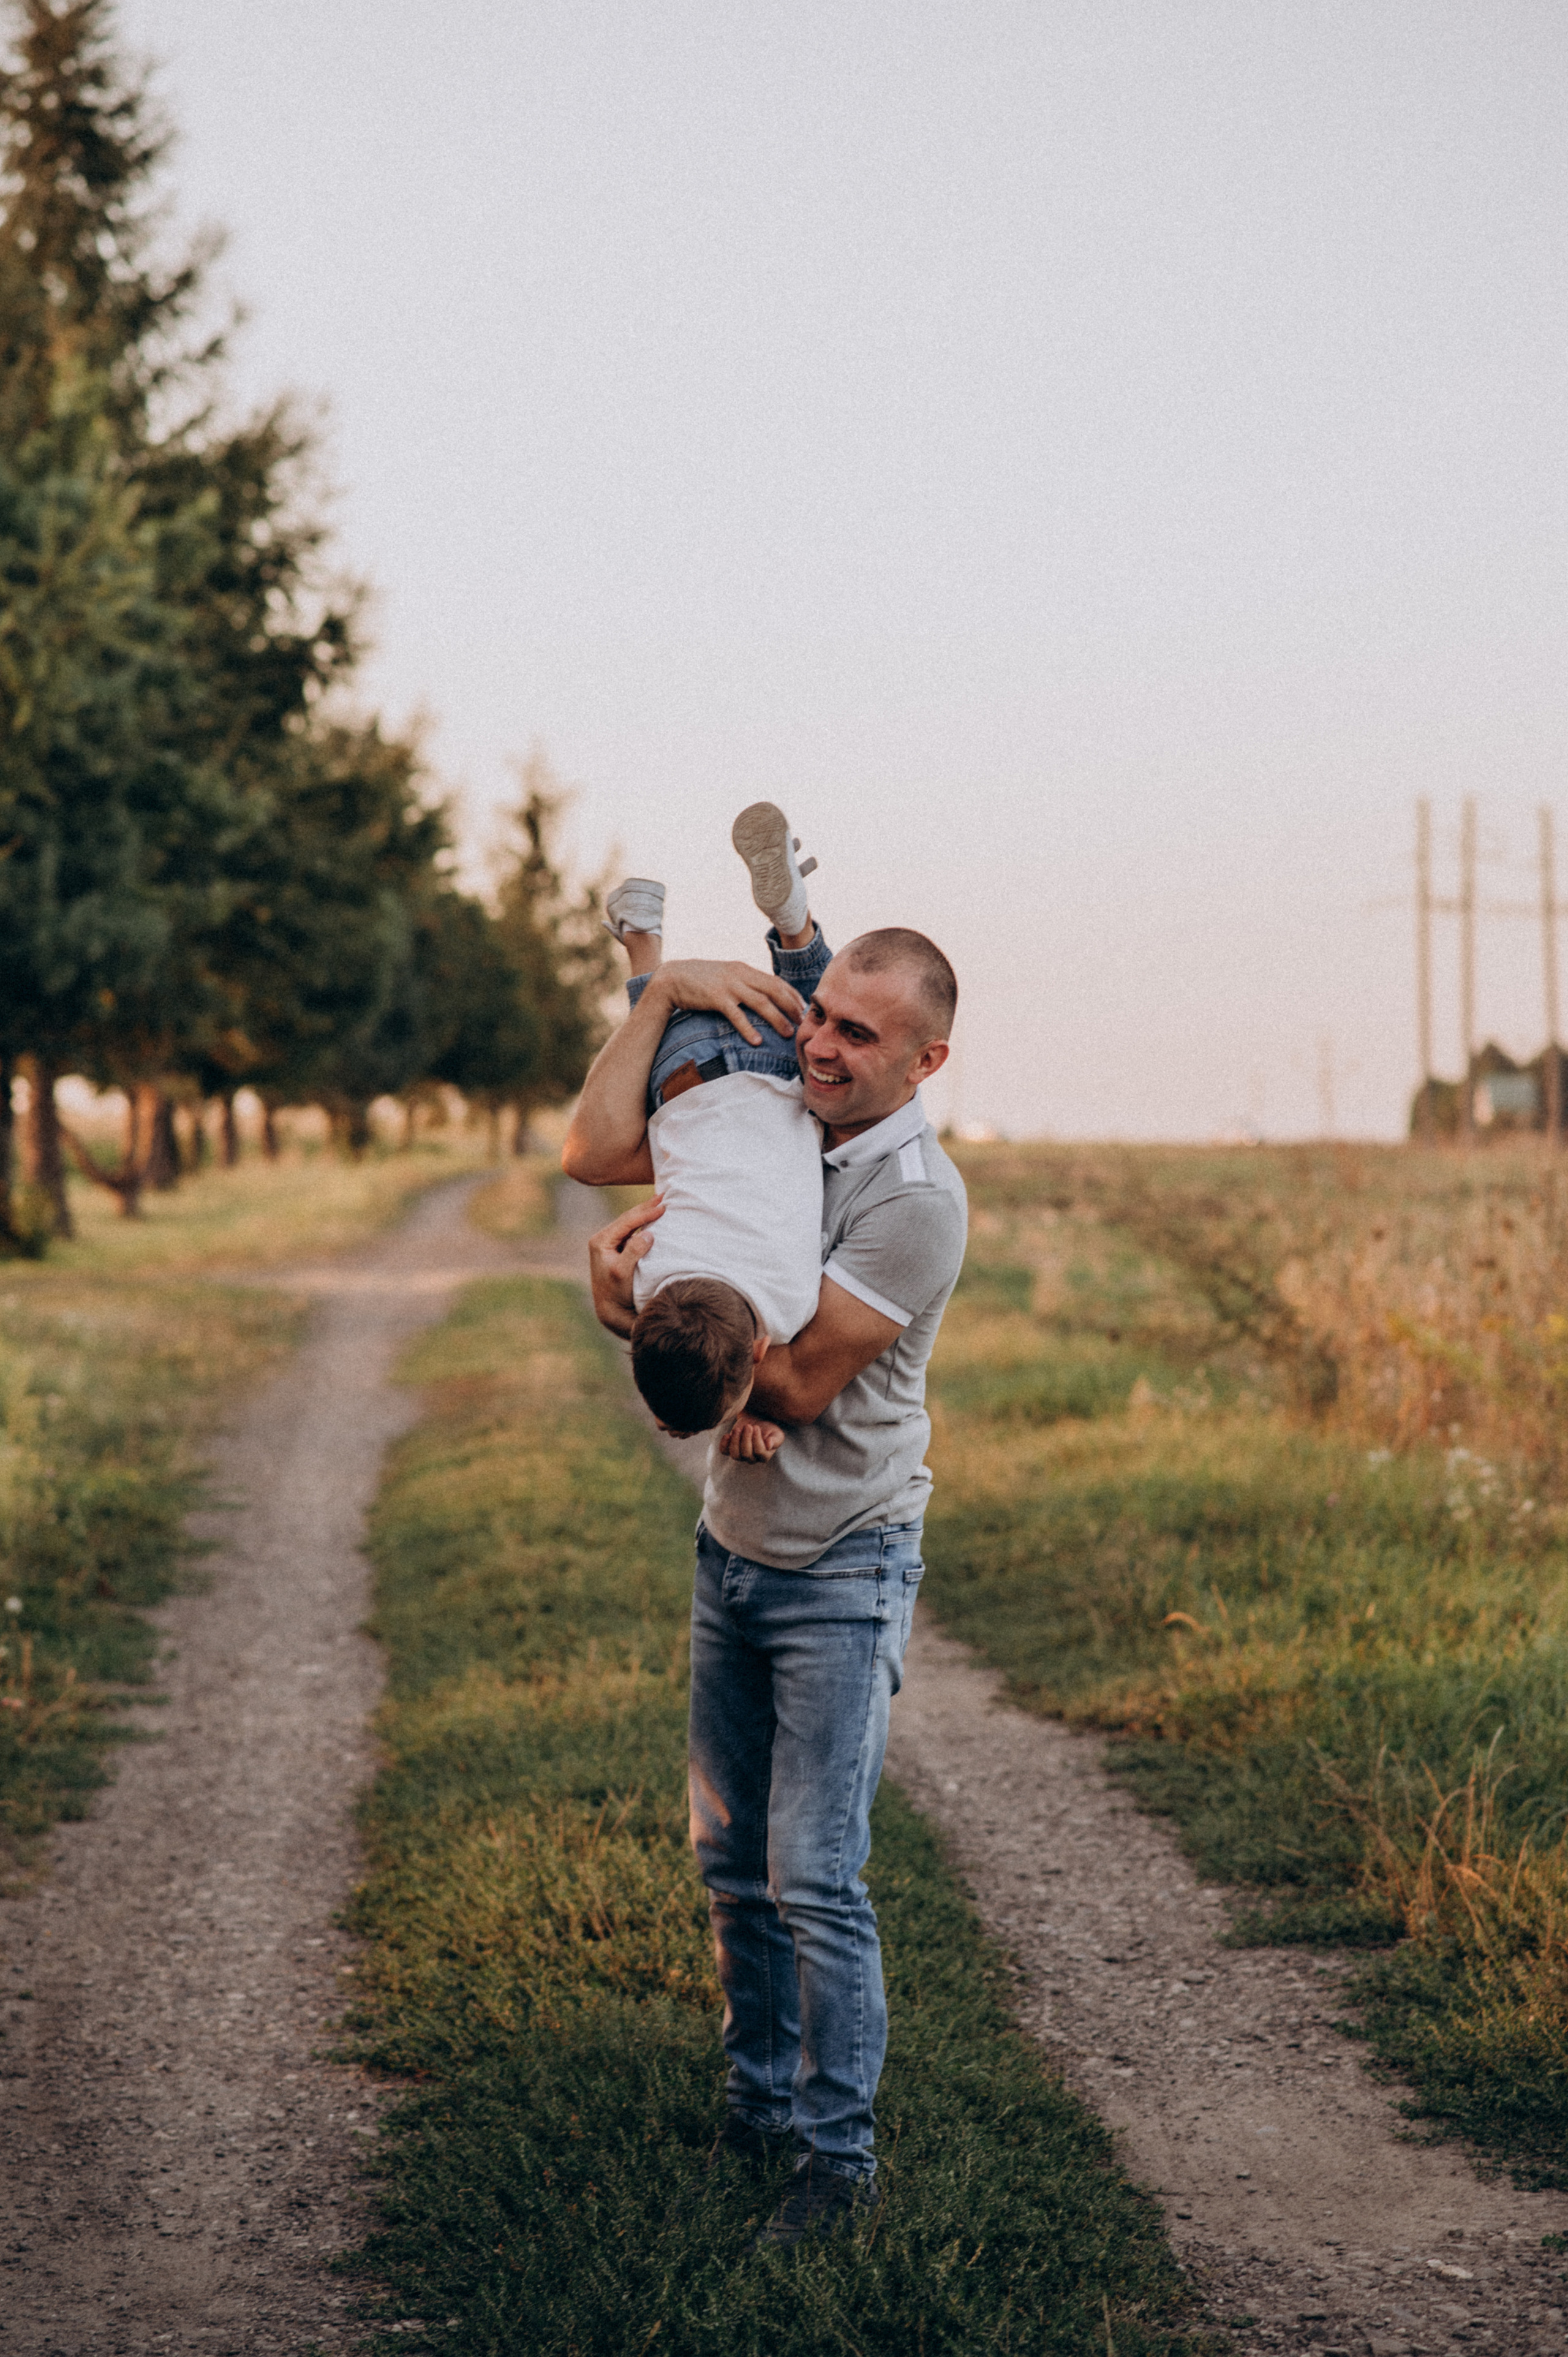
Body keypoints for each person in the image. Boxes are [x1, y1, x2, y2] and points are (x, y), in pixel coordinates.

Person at [562, 801, 967, 2248]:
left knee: (814, 1875)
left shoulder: (912, 1200)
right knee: (730, 1864)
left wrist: (630, 1307)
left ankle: (833, 2161)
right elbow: (609, 1146)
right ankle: (755, 2104)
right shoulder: (785, 1112)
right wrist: (661, 990)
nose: (820, 1046)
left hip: (842, 1564)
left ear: (924, 1063)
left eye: (859, 1035)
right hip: (731, 1549)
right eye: (822, 1015)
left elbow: (782, 1382)